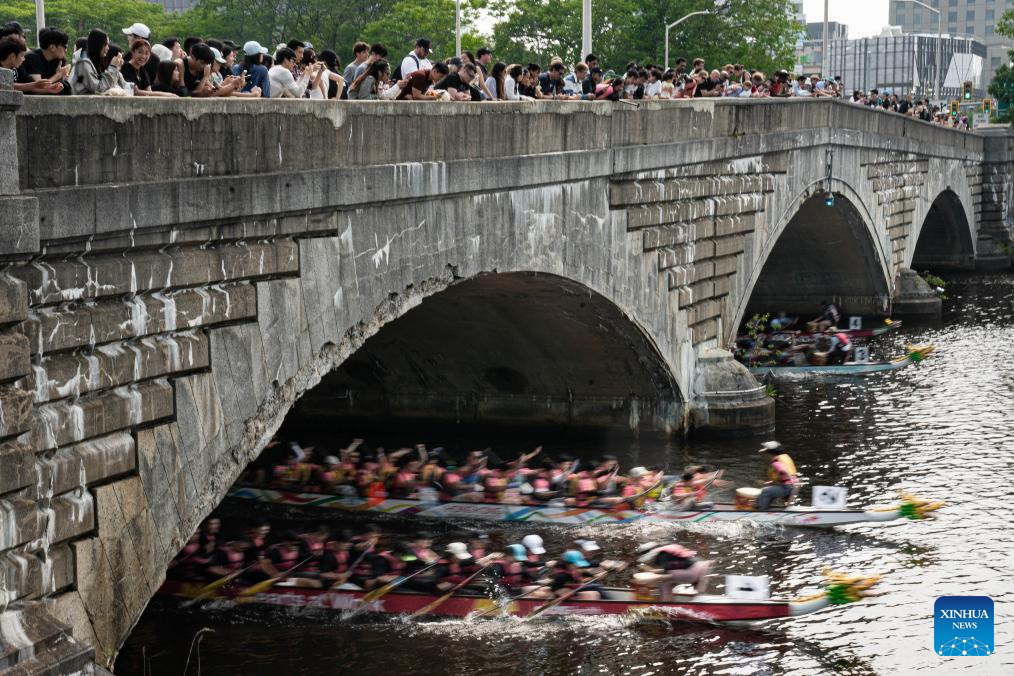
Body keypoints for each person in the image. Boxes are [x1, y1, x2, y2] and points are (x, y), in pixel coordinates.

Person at [635, 542, 712, 598]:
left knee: (664, 582)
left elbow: (669, 572)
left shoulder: (661, 555)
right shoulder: (665, 552)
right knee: (698, 594)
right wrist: (654, 572)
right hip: (701, 566)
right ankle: (699, 600)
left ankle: (665, 603)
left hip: (693, 571)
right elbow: (675, 567)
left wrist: (654, 577)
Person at [69, 29, 121, 95]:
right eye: (105, 44)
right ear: (97, 45)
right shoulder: (83, 63)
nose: (108, 48)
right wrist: (113, 67)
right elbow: (99, 89)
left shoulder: (94, 62)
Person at [20, 27, 70, 95]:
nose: (66, 50)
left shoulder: (60, 60)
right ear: (52, 47)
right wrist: (58, 75)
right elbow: (37, 88)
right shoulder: (32, 58)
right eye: (65, 46)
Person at [756, 441, 797, 510]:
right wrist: (767, 483)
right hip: (792, 486)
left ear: (769, 453)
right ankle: (765, 509)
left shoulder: (776, 462)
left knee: (765, 492)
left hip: (788, 488)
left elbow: (783, 472)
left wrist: (788, 483)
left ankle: (760, 511)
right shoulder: (783, 457)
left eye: (765, 453)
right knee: (768, 491)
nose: (764, 455)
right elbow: (783, 478)